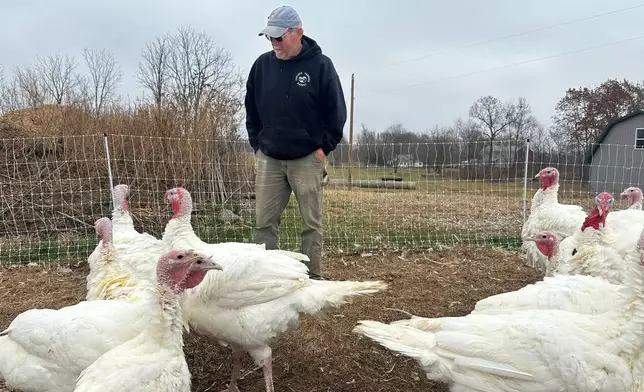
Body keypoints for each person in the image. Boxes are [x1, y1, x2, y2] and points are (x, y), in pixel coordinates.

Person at [244, 5, 347, 279]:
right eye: (270, 38)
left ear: (298, 32)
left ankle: (312, 277)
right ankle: (264, 278)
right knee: (264, 224)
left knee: (311, 224)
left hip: (307, 159)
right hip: (270, 158)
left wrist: (323, 149)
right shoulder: (261, 66)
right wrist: (257, 143)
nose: (275, 43)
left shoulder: (321, 66)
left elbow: (336, 113)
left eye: (279, 37)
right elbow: (251, 109)